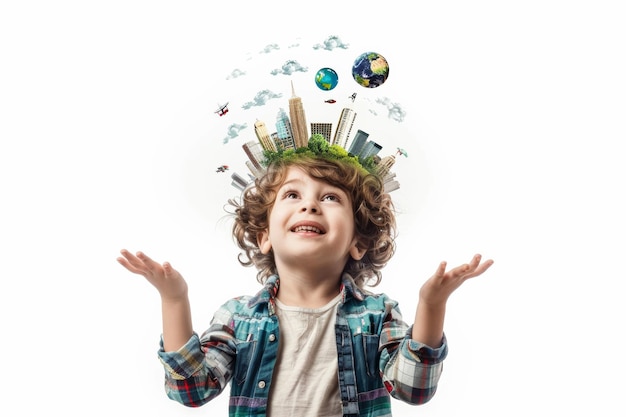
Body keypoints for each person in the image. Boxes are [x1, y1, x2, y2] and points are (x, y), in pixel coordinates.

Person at [117, 141, 493, 416]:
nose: (309, 204)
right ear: (264, 236)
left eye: (331, 198)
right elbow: (192, 391)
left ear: (357, 242)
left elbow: (413, 390)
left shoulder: (379, 315)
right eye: (292, 194)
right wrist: (174, 300)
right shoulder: (238, 318)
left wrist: (432, 304)